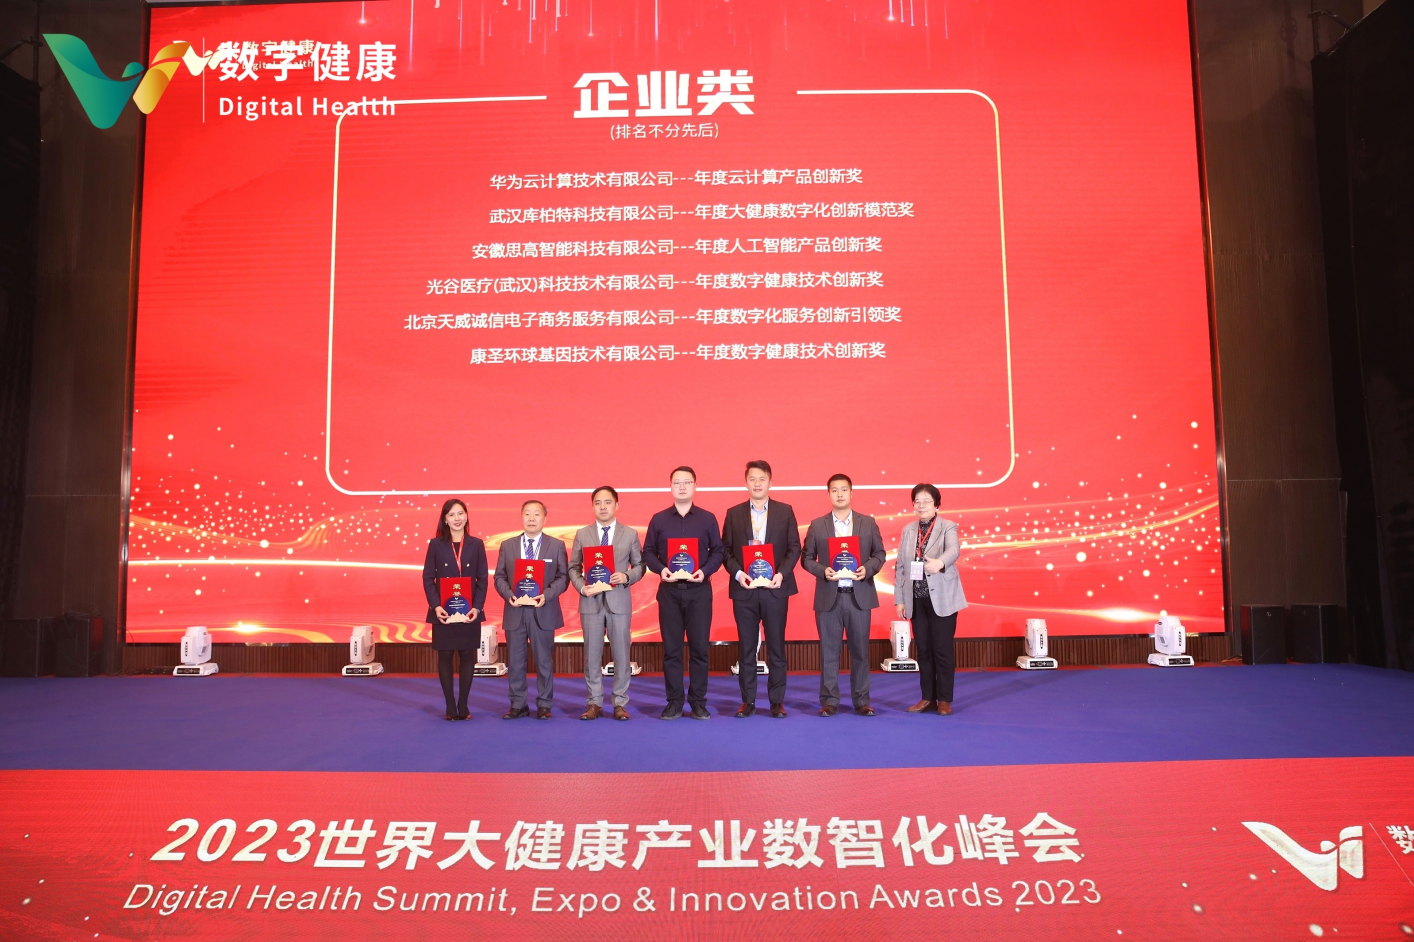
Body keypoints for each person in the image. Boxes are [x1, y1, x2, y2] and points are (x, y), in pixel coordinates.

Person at [800, 473, 887, 716]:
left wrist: (867, 569)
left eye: (844, 489)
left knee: (860, 652)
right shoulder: (818, 525)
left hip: (859, 596)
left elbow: (880, 554)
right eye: (834, 490)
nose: (839, 494)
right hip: (830, 596)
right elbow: (806, 558)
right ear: (828, 494)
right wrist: (823, 571)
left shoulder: (867, 523)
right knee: (829, 652)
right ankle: (829, 701)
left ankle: (862, 701)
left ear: (851, 492)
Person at [641, 466, 724, 720]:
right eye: (677, 482)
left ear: (695, 486)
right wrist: (661, 569)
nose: (682, 486)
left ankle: (698, 702)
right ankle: (675, 702)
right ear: (670, 487)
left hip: (699, 591)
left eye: (687, 482)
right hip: (669, 592)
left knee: (699, 649)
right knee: (672, 651)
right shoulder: (659, 519)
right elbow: (648, 552)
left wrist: (704, 571)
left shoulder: (707, 519)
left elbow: (718, 551)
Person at [720, 460, 800, 718]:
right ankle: (748, 701)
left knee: (776, 647)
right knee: (746, 648)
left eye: (762, 479)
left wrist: (781, 574)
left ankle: (776, 702)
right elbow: (725, 550)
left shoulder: (785, 511)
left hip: (775, 589)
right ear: (746, 482)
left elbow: (794, 548)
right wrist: (739, 574)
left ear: (770, 482)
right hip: (745, 590)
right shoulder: (734, 513)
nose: (757, 483)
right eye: (752, 479)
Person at [568, 486, 645, 721]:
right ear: (593, 506)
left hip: (619, 601)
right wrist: (582, 587)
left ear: (616, 505)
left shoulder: (629, 534)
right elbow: (573, 567)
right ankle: (594, 703)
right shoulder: (582, 534)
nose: (603, 507)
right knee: (592, 656)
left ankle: (620, 703)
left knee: (621, 655)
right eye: (598, 503)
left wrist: (626, 576)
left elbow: (640, 566)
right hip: (590, 602)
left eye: (607, 502)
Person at [894, 483, 968, 715]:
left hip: (943, 598)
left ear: (937, 504)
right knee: (923, 650)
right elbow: (901, 566)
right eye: (917, 501)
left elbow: (954, 550)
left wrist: (940, 562)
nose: (922, 505)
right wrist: (900, 599)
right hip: (916, 599)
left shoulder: (948, 526)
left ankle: (944, 699)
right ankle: (927, 698)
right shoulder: (908, 530)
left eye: (927, 501)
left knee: (942, 649)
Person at [493, 500, 569, 719]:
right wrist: (509, 595)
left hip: (543, 610)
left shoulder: (556, 545)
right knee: (516, 662)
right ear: (521, 517)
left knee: (544, 661)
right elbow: (499, 577)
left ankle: (544, 704)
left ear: (545, 518)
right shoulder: (508, 545)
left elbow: (563, 577)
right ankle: (518, 704)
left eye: (537, 514)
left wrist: (546, 595)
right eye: (527, 514)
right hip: (515, 611)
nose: (532, 518)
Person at [421, 499, 488, 720]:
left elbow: (482, 579)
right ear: (445, 519)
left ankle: (463, 705)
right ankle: (450, 706)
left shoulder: (476, 544)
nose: (457, 518)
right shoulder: (436, 544)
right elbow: (428, 578)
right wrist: (436, 606)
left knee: (468, 655)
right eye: (452, 514)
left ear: (467, 516)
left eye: (460, 513)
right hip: (444, 612)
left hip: (469, 612)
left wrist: (477, 607)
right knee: (445, 655)